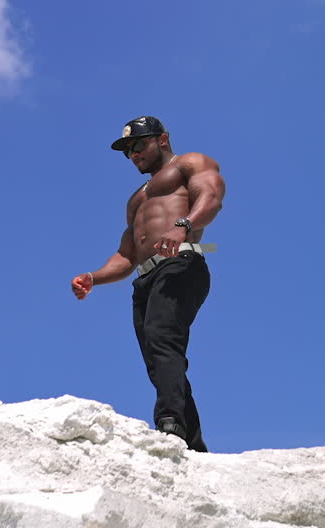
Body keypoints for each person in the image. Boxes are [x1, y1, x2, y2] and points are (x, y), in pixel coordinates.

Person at [70, 116, 226, 452]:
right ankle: (193, 445)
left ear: (163, 139)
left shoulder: (190, 163)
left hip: (181, 263)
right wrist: (94, 277)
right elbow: (127, 255)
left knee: (162, 338)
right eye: (127, 151)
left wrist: (183, 225)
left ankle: (169, 424)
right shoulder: (136, 199)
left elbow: (211, 198)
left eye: (139, 145)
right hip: (146, 277)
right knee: (157, 357)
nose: (134, 155)